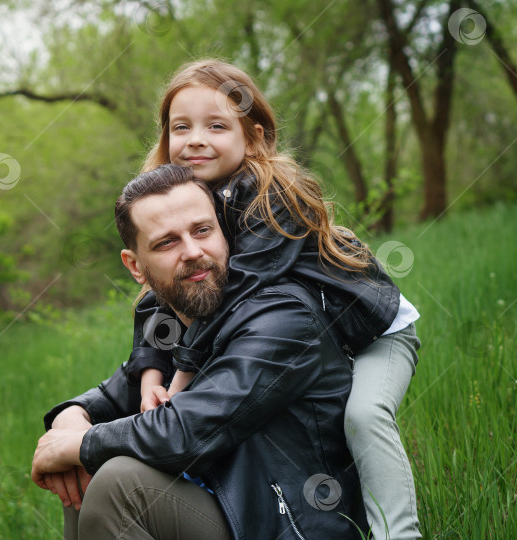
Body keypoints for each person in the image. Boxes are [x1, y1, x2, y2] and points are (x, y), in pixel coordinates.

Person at [130, 59, 421, 538]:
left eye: (216, 126)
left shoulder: (272, 196)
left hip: (372, 333)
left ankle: (399, 533)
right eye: (181, 127)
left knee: (363, 416)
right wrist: (149, 375)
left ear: (256, 138)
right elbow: (153, 302)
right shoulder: (183, 201)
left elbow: (239, 290)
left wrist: (180, 374)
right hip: (310, 338)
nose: (195, 139)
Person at [32, 164, 370, 538]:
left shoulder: (283, 317)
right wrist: (71, 419)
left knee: (117, 482)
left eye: (202, 230)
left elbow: (188, 431)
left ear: (224, 232)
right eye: (167, 242)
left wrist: (82, 444)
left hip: (289, 526)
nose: (193, 251)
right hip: (228, 512)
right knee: (87, 469)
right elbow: (110, 396)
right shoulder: (179, 322)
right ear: (135, 267)